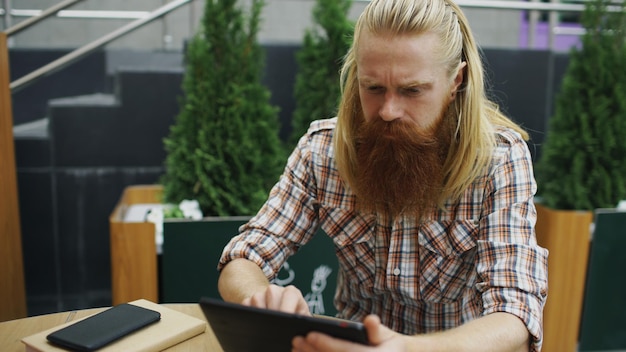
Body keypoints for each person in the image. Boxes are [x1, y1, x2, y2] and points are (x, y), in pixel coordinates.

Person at [217, 0, 549, 351]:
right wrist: (260, 298)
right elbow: (242, 257)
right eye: (373, 88)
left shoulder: (499, 159)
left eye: (412, 90)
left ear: (456, 81)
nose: (388, 111)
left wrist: (406, 350)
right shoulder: (323, 150)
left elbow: (516, 314)